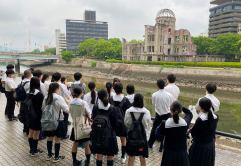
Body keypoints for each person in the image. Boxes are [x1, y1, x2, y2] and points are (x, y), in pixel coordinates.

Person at [91, 89, 123, 166]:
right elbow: (116, 123)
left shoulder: (95, 107)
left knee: (99, 155)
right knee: (110, 156)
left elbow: (93, 119)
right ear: (107, 96)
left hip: (97, 135)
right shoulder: (112, 108)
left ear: (98, 97)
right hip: (110, 135)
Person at [156, 101, 193, 166]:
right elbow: (189, 113)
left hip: (169, 154)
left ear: (170, 110)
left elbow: (157, 134)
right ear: (180, 111)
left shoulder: (164, 123)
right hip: (182, 154)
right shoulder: (185, 123)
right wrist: (181, 107)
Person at [42, 83, 69, 162]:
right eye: (59, 88)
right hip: (58, 121)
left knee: (49, 138)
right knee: (57, 139)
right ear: (57, 89)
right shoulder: (59, 98)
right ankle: (56, 157)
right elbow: (66, 110)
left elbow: (43, 108)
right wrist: (68, 104)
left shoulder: (46, 97)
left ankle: (49, 155)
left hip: (48, 120)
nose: (60, 90)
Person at [189, 97, 218, 166]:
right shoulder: (215, 117)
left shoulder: (201, 119)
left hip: (199, 146)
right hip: (210, 145)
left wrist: (190, 130)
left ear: (201, 107)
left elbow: (193, 133)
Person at [124, 93, 152, 166]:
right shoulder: (147, 112)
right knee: (142, 158)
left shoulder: (128, 111)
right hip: (142, 138)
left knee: (131, 157)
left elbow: (126, 123)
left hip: (131, 138)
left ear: (134, 100)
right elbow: (147, 125)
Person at [148, 79, 175, 152]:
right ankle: (162, 146)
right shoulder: (170, 95)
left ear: (157, 85)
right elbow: (171, 105)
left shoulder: (154, 94)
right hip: (167, 114)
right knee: (167, 131)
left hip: (158, 115)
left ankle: (150, 144)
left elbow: (153, 104)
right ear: (164, 85)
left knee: (154, 129)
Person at [110, 82, 131, 163]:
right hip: (122, 122)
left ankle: (112, 152)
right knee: (123, 140)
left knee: (112, 137)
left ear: (114, 89)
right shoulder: (125, 99)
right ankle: (123, 156)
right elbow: (129, 112)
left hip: (112, 122)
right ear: (122, 89)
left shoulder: (111, 98)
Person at [70, 88, 92, 166]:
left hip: (75, 125)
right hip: (83, 125)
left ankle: (74, 161)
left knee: (75, 143)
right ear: (81, 93)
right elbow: (89, 113)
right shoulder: (83, 103)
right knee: (86, 144)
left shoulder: (71, 102)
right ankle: (88, 162)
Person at [27, 77, 44, 156]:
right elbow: (42, 106)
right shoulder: (39, 94)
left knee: (30, 132)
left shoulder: (29, 92)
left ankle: (31, 150)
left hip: (30, 114)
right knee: (36, 133)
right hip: (37, 115)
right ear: (38, 83)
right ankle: (34, 151)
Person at [52, 72, 72, 139]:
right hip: (62, 103)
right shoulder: (62, 85)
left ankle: (55, 132)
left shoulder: (50, 84)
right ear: (60, 78)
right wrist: (67, 86)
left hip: (53, 103)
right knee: (65, 119)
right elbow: (68, 94)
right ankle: (63, 134)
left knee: (55, 118)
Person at [19, 70, 31, 134]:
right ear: (30, 74)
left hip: (22, 100)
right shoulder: (28, 82)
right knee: (27, 115)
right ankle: (27, 130)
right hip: (27, 101)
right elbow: (29, 92)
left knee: (23, 114)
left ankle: (25, 128)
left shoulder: (22, 81)